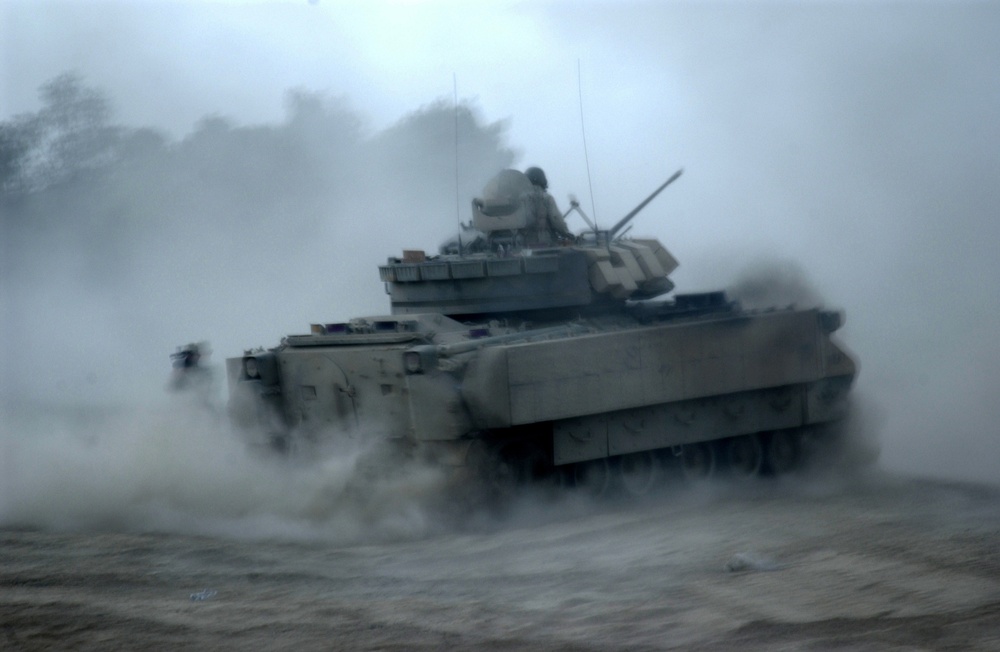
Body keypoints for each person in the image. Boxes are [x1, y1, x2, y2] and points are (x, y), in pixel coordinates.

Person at [524, 166, 573, 246]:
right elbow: (556, 219)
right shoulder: (546, 198)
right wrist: (566, 233)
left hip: (522, 245)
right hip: (544, 243)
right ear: (543, 180)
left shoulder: (518, 200)